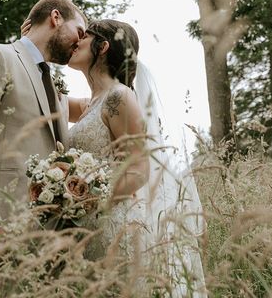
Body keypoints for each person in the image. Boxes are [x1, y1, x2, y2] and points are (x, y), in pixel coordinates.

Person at [23, 17, 207, 296]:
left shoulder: (120, 97)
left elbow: (138, 170)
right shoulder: (90, 104)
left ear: (103, 46)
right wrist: (32, 43)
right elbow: (42, 93)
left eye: (84, 36)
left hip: (112, 228)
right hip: (84, 229)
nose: (76, 41)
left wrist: (85, 201)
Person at [0, 0, 87, 227]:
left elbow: (101, 103)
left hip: (44, 235)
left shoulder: (53, 88)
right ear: (56, 17)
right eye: (80, 32)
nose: (79, 43)